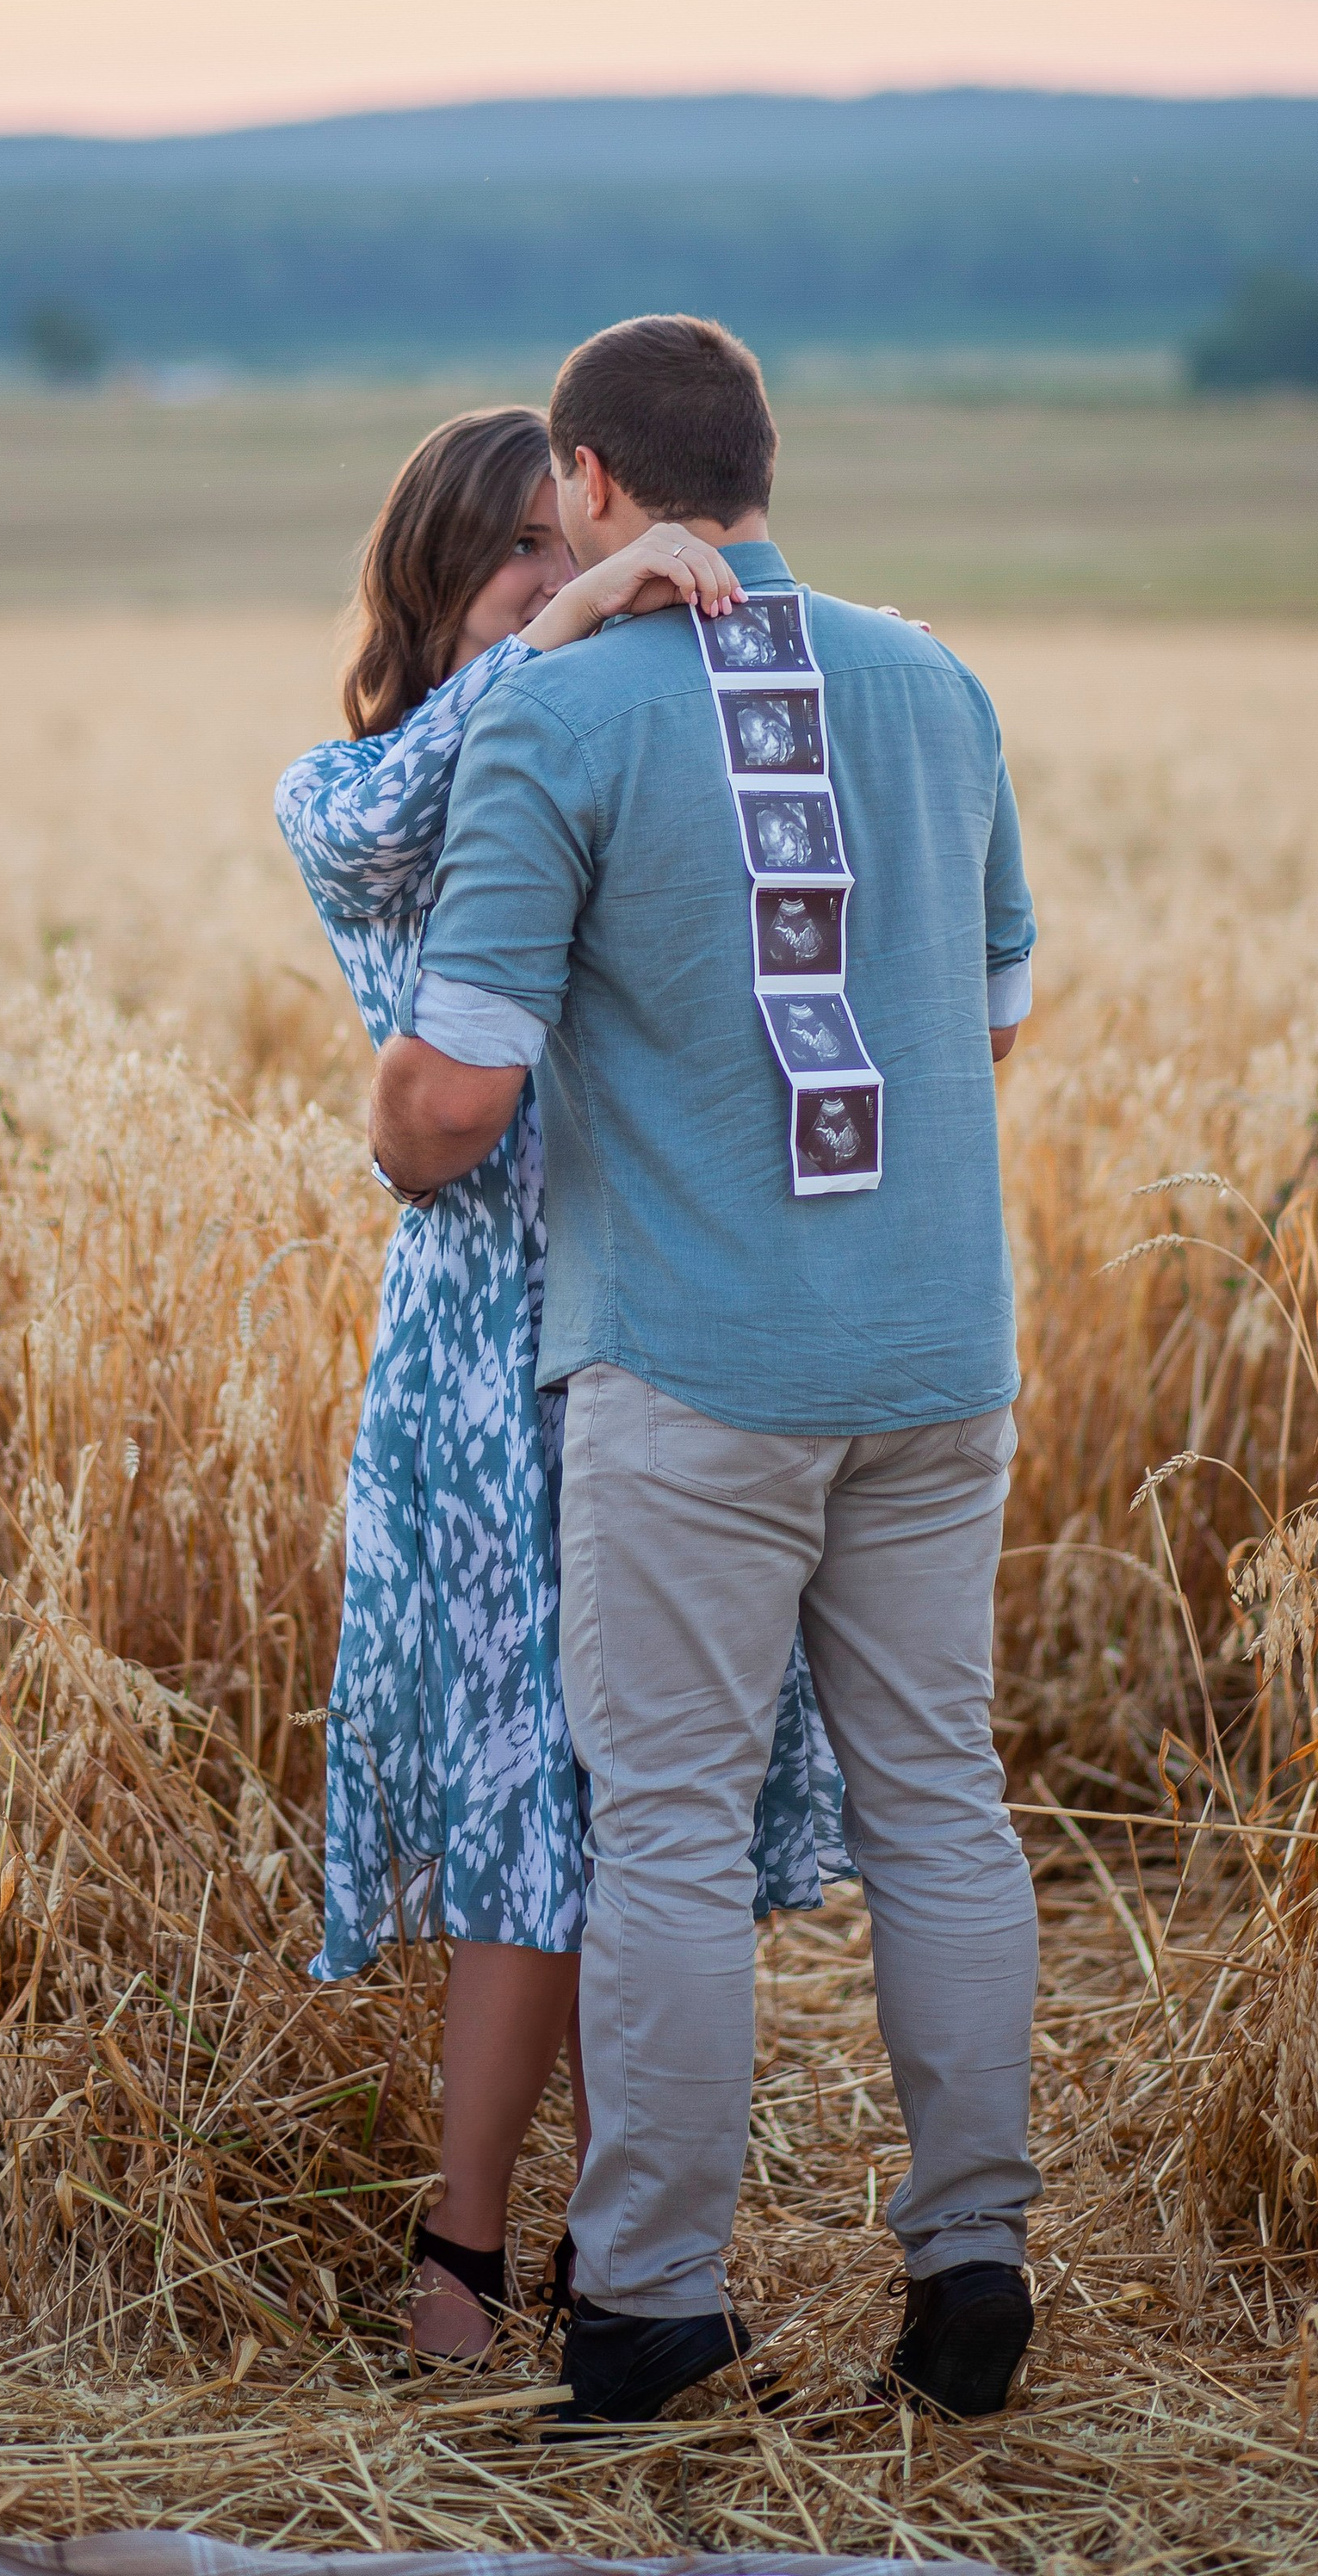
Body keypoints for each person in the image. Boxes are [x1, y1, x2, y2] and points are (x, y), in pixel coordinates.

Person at [370, 318, 1043, 2431]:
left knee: (657, 1831)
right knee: (940, 1803)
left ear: (581, 480)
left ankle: (650, 2302)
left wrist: (394, 1119)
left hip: (689, 1363)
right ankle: (970, 2261)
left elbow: (450, 1105)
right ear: (757, 465)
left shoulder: (559, 715)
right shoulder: (934, 683)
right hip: (935, 1352)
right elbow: (993, 1007)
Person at [275, 404, 850, 2366]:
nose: (554, 578)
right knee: (532, 1812)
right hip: (479, 1353)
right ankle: (463, 2256)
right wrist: (575, 613)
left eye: (567, 537)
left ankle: (636, 2267)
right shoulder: (366, 785)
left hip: (667, 1316)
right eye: (513, 553)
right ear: (436, 584)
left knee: (651, 1813)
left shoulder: (609, 737)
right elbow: (365, 829)